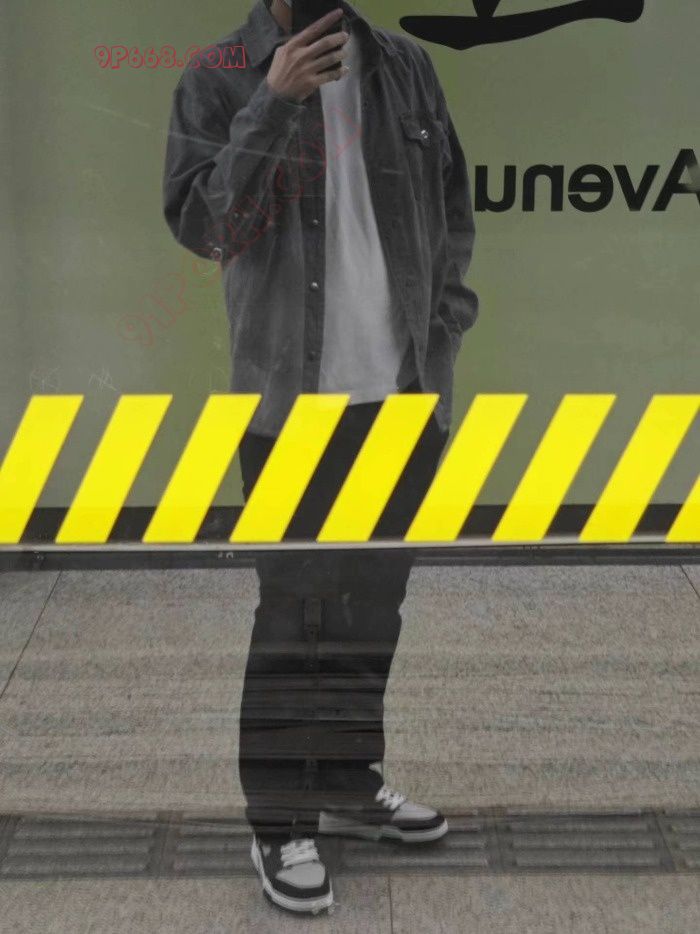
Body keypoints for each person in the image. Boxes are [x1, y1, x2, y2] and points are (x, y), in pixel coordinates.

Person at [163, 0, 478, 915]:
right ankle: (279, 819)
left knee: (372, 608)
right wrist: (274, 102)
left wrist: (444, 332)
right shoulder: (221, 74)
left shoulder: (404, 69)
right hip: (288, 404)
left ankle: (345, 779)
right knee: (295, 612)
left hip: (400, 394)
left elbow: (451, 208)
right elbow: (205, 227)